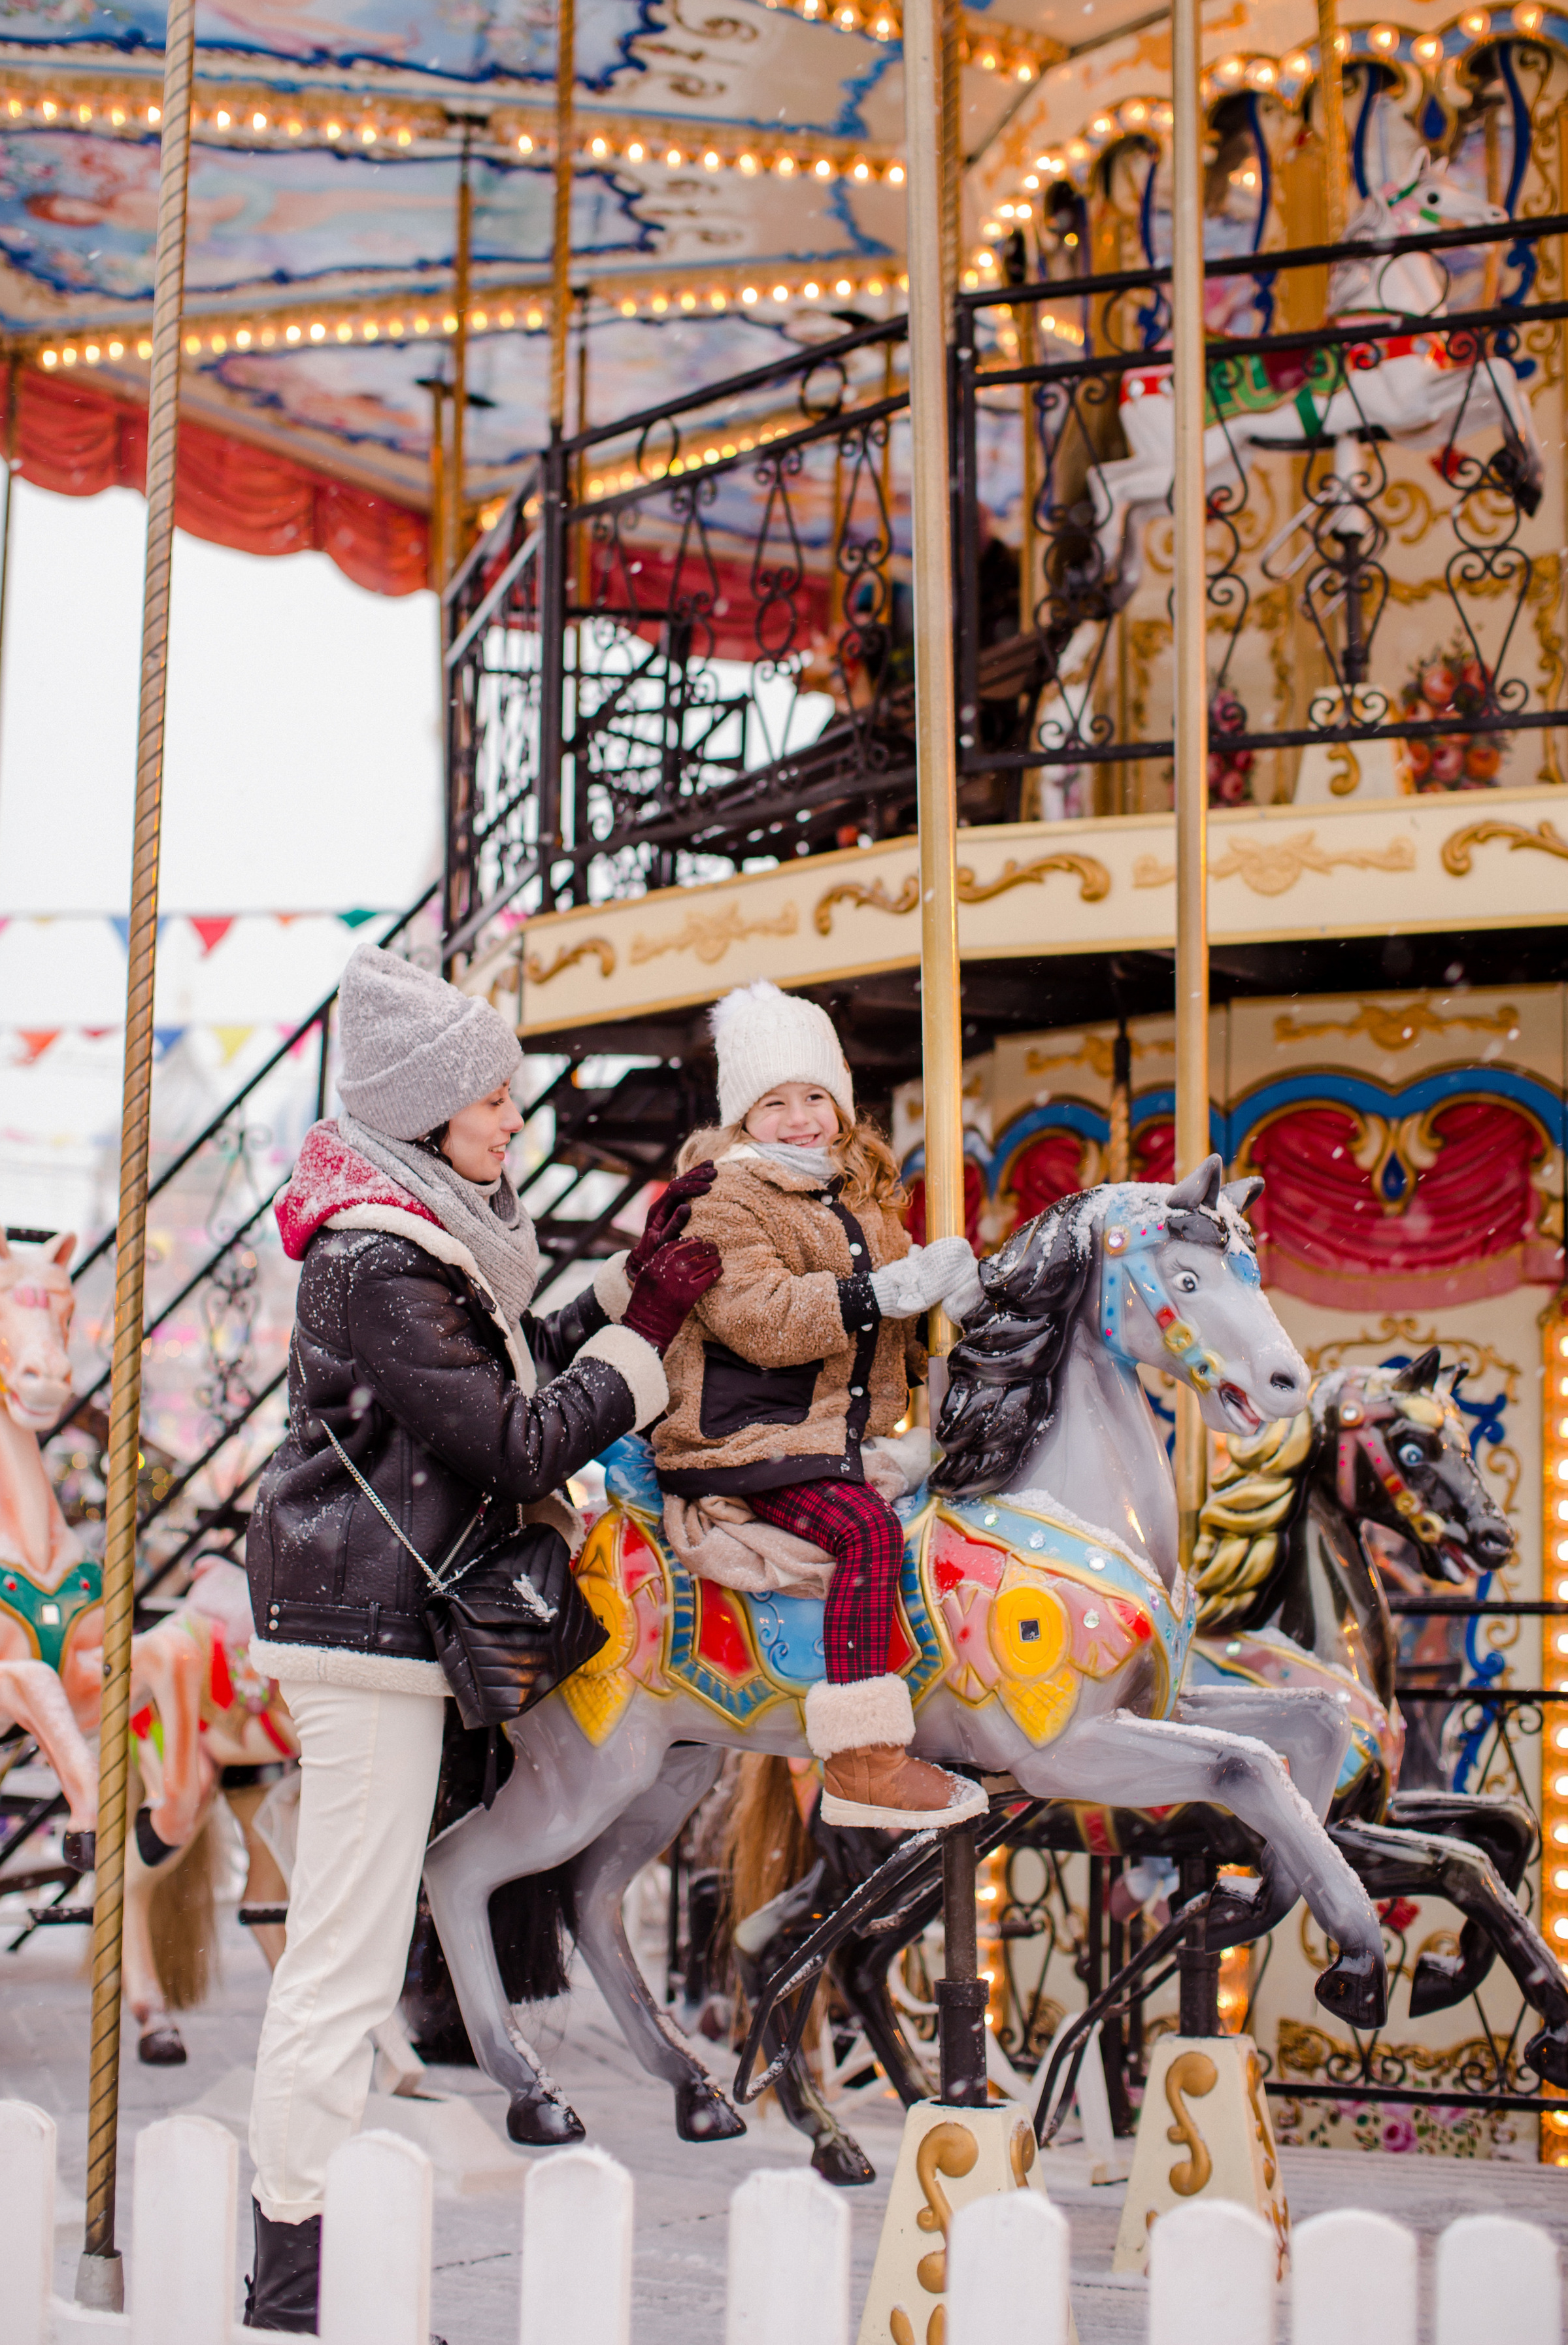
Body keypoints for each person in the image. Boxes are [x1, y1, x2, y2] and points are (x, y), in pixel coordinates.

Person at [242, 945, 718, 2332]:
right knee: (340, 1955)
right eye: (494, 1100)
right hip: (365, 1625)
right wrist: (647, 1342)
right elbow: (512, 1442)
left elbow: (492, 1357)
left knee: (352, 1939)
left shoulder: (420, 1241)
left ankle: (302, 2265)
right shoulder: (377, 1257)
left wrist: (624, 1295)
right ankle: (294, 2274)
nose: (516, 1120)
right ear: (423, 1107)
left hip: (384, 1615)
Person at [652, 978, 988, 1829]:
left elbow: (897, 1329)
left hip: (826, 1438)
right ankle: (862, 1760)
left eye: (815, 1096)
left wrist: (958, 1324)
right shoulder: (718, 1199)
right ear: (742, 1117)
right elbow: (762, 1319)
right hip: (746, 1437)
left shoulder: (859, 1197)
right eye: (775, 1102)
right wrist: (892, 1290)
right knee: (865, 1533)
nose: (801, 1118)